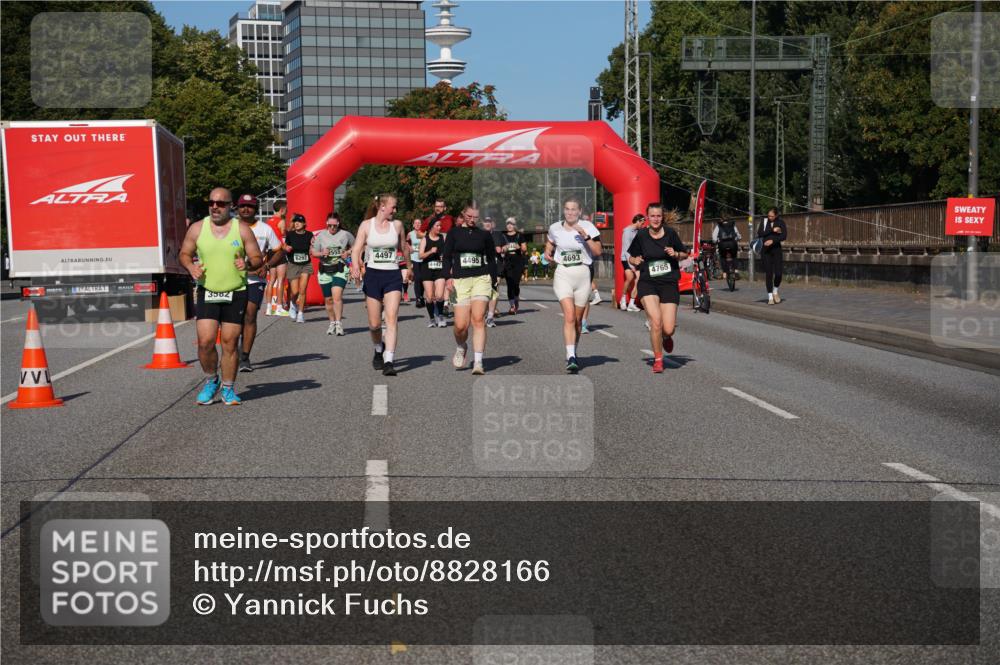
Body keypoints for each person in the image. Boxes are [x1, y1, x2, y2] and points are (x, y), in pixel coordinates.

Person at [179, 187, 263, 405]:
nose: (215, 207)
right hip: (208, 290)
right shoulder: (197, 228)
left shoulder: (242, 229)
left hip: (235, 291)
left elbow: (257, 257)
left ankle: (228, 388)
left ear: (230, 207)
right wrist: (191, 267)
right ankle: (211, 380)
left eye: (221, 203)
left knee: (229, 341)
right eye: (211, 203)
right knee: (206, 342)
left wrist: (246, 263)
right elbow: (184, 254)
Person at [351, 193, 411, 376]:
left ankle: (389, 361)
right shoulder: (366, 225)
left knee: (391, 319)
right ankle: (379, 349)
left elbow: (404, 246)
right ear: (382, 207)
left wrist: (409, 267)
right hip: (373, 276)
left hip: (392, 275)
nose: (395, 210)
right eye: (393, 207)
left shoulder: (397, 225)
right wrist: (355, 266)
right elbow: (356, 250)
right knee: (375, 324)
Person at [627, 204, 688, 373]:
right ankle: (658, 359)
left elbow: (684, 253)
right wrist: (635, 261)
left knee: (668, 328)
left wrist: (675, 254)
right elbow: (631, 257)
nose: (655, 219)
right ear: (647, 217)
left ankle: (667, 337)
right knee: (655, 322)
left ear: (662, 217)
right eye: (652, 216)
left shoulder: (670, 234)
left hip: (668, 282)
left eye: (658, 216)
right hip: (648, 282)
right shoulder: (641, 235)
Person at [545, 196, 602, 373]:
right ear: (564, 210)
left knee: (577, 321)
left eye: (573, 209)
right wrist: (548, 252)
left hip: (583, 274)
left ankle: (574, 351)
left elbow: (598, 251)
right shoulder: (555, 227)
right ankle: (570, 356)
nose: (570, 212)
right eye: (567, 209)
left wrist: (585, 237)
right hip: (563, 273)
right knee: (569, 316)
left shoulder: (588, 227)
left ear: (579, 212)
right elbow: (550, 243)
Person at [443, 201, 497, 375]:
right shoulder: (454, 233)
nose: (472, 220)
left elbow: (491, 258)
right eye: (469, 216)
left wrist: (494, 280)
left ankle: (478, 362)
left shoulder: (484, 235)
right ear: (463, 214)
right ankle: (461, 346)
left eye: (476, 217)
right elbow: (446, 257)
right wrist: (448, 277)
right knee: (460, 326)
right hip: (460, 280)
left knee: (478, 319)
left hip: (481, 278)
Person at [235, 194, 284, 373]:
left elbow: (279, 250)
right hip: (232, 279)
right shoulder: (230, 227)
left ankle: (245, 357)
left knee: (249, 315)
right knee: (234, 318)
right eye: (242, 206)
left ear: (256, 209)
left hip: (255, 279)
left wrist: (267, 265)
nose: (246, 209)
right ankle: (233, 350)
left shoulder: (265, 229)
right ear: (237, 208)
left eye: (250, 206)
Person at [312, 212, 354, 336]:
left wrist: (348, 252)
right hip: (325, 269)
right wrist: (321, 253)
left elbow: (357, 245)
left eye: (334, 226)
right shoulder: (321, 236)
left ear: (338, 224)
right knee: (328, 299)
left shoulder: (345, 234)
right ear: (326, 224)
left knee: (337, 296)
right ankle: (332, 322)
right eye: (329, 225)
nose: (332, 228)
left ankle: (339, 323)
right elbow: (314, 252)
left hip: (340, 269)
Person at [283, 213, 314, 323]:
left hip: (306, 264)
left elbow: (313, 245)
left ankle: (300, 314)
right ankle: (292, 304)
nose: (296, 223)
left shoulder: (310, 235)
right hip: (293, 264)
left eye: (299, 222)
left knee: (303, 289)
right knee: (295, 291)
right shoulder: (290, 235)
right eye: (295, 221)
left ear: (304, 224)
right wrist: (287, 248)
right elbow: (285, 246)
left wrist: (312, 248)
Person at [419, 217, 448, 327]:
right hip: (427, 269)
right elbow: (420, 255)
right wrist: (430, 251)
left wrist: (444, 258)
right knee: (430, 297)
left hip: (440, 269)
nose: (439, 227)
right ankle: (432, 318)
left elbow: (448, 252)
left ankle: (440, 316)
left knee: (440, 296)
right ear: (431, 227)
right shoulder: (425, 239)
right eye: (437, 225)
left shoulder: (443, 238)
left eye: (440, 225)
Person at [757, 207, 787, 305]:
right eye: (769, 215)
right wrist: (772, 230)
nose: (770, 217)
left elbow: (784, 236)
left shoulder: (781, 222)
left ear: (776, 215)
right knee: (769, 273)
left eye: (772, 216)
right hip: (765, 251)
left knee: (778, 273)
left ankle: (775, 291)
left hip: (776, 250)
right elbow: (760, 233)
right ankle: (770, 296)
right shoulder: (764, 221)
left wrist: (773, 240)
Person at [265, 199, 289, 316]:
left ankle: (269, 307)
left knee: (271, 281)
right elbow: (283, 234)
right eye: (286, 210)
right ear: (282, 210)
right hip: (279, 251)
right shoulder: (281, 221)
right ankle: (279, 307)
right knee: (280, 280)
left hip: (270, 252)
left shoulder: (268, 221)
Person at [500, 217, 528, 314]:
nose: (509, 225)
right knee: (509, 284)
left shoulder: (519, 236)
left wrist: (519, 247)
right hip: (508, 262)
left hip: (518, 262)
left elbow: (524, 249)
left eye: (511, 223)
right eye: (508, 223)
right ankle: (512, 306)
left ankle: (516, 299)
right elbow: (501, 249)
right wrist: (504, 248)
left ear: (515, 225)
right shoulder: (503, 236)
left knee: (515, 284)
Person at [619, 213, 645, 311]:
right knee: (630, 278)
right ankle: (623, 299)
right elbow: (626, 249)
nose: (643, 225)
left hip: (636, 259)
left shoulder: (638, 231)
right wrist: (631, 264)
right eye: (642, 223)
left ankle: (631, 303)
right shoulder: (627, 231)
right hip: (626, 258)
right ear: (638, 221)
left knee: (638, 278)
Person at [482, 216, 504, 327]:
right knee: (484, 292)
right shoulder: (479, 234)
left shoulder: (498, 234)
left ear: (492, 224)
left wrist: (502, 249)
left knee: (494, 290)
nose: (487, 223)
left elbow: (506, 245)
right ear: (483, 223)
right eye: (485, 222)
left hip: (496, 267)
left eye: (489, 222)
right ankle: (485, 312)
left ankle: (490, 316)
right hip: (482, 267)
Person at [713, 216, 742, 282]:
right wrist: (739, 238)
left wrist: (715, 241)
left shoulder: (718, 226)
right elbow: (738, 234)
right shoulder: (732, 225)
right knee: (734, 256)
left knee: (722, 257)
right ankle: (736, 271)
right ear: (729, 220)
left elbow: (714, 236)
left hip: (722, 245)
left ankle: (725, 273)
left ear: (721, 220)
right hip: (732, 244)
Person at [408, 218, 425, 307]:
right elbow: (405, 242)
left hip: (423, 258)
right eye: (416, 223)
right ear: (413, 225)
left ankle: (421, 296)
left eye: (419, 223)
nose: (418, 224)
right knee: (417, 278)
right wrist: (409, 247)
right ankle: (418, 298)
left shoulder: (424, 234)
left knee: (422, 278)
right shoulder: (410, 234)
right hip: (414, 258)